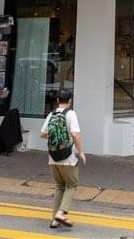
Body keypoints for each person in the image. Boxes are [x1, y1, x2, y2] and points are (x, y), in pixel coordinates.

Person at [40, 89, 85, 229]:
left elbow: (42, 134)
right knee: (72, 185)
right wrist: (81, 152)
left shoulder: (51, 114)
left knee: (59, 186)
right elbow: (76, 135)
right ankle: (60, 213)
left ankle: (54, 220)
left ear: (58, 100)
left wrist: (55, 139)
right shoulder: (71, 114)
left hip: (53, 156)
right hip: (67, 156)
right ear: (70, 101)